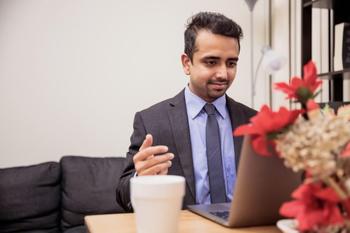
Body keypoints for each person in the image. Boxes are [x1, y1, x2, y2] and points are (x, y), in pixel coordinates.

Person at [116, 11, 256, 211]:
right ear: (186, 63)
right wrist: (139, 179)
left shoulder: (255, 120)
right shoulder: (151, 121)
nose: (223, 73)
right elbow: (122, 195)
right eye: (211, 62)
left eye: (231, 63)